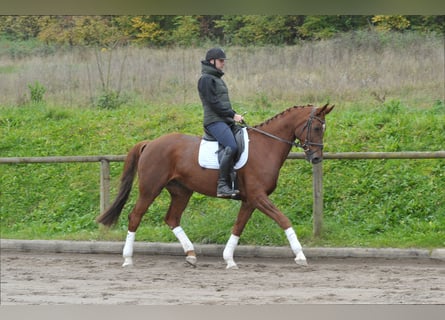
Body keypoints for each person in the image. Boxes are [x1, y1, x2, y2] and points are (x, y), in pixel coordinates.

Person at [198, 47, 244, 198]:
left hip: (224, 120)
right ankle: (222, 185)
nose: (223, 63)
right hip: (214, 122)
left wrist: (233, 115)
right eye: (221, 60)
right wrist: (232, 115)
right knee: (231, 146)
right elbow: (213, 103)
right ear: (212, 61)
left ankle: (236, 181)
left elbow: (223, 103)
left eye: (223, 61)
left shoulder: (217, 79)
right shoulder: (206, 79)